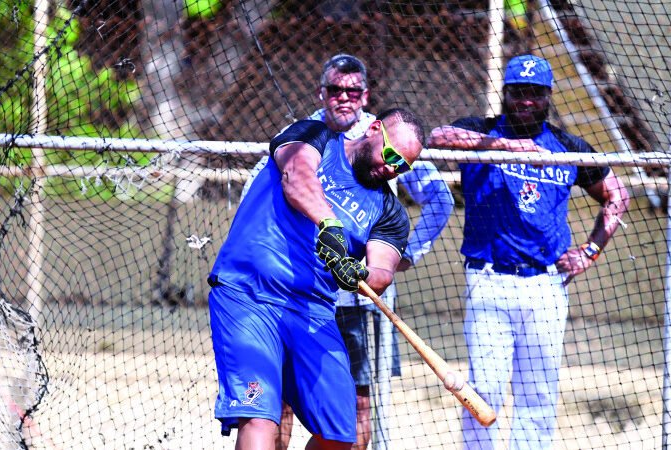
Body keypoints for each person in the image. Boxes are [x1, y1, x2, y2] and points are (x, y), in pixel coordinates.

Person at [241, 54, 454, 450]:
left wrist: (404, 258)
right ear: (322, 91)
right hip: (294, 295)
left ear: (365, 95)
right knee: (280, 404)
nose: (344, 97)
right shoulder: (308, 132)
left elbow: (440, 201)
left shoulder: (393, 139)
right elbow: (260, 185)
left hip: (357, 302)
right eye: (335, 89)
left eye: (352, 90)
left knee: (354, 406)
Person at [428, 54, 630, 449]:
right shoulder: (481, 133)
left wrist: (589, 252)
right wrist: (505, 147)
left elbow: (617, 195)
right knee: (482, 390)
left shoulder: (568, 147)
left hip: (545, 285)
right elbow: (437, 136)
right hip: (489, 280)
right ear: (505, 94)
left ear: (547, 96)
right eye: (518, 92)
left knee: (538, 394)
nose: (525, 101)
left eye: (534, 94)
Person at [208, 107, 425, 450]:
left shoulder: (390, 211)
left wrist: (360, 274)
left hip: (312, 311)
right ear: (374, 129)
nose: (390, 168)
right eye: (390, 155)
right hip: (248, 293)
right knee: (260, 416)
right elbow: (296, 175)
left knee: (339, 433)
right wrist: (329, 223)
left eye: (401, 166)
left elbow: (382, 272)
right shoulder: (315, 136)